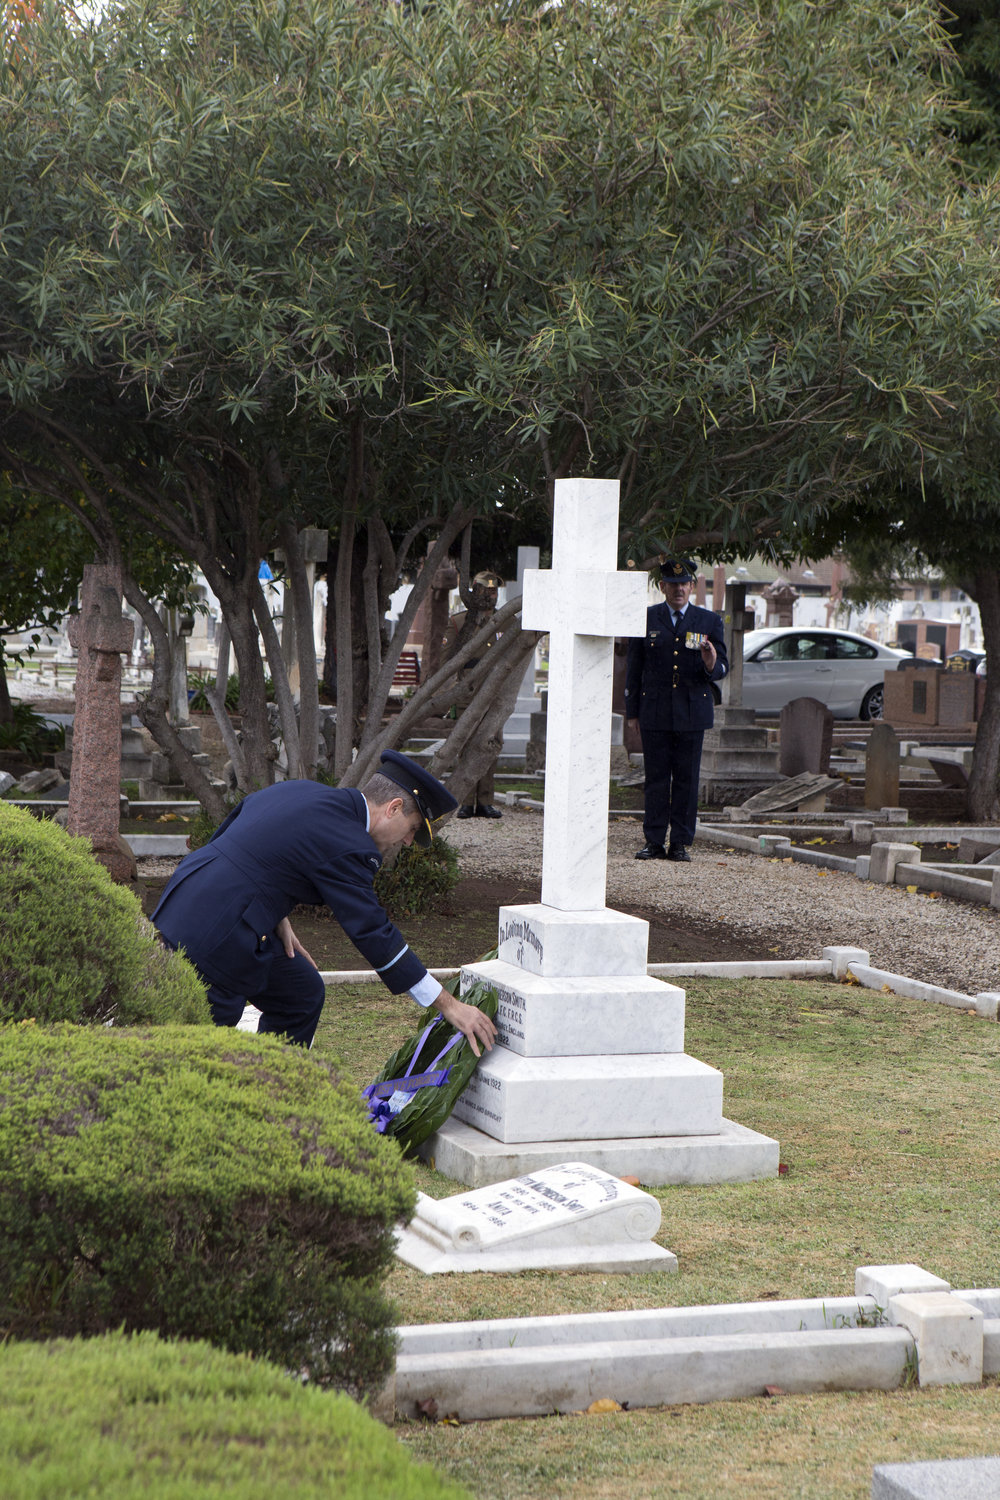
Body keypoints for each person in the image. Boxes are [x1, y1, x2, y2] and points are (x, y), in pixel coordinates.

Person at [153, 749, 497, 1056]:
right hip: (217, 935)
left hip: (189, 899)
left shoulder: (302, 791)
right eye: (411, 829)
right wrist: (448, 1004)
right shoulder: (350, 844)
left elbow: (240, 843)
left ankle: (271, 1088)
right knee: (198, 1050)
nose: (407, 841)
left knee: (299, 992)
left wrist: (277, 916)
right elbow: (373, 932)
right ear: (393, 808)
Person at [624, 557, 728, 862]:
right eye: (672, 584)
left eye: (684, 584)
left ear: (692, 586)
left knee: (686, 779)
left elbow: (721, 666)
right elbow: (634, 669)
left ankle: (680, 842)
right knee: (656, 778)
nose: (678, 589)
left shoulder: (708, 622)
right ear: (662, 587)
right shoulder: (646, 619)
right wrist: (632, 712)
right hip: (654, 711)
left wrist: (709, 661)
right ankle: (654, 840)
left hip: (692, 712)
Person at [445, 569, 504, 820]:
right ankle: (467, 802)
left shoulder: (507, 620)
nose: (490, 595)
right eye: (485, 590)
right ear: (474, 591)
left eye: (493, 590)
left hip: (496, 691)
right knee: (467, 744)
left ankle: (486, 801)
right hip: (468, 690)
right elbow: (447, 660)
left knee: (490, 743)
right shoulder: (460, 622)